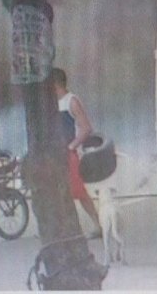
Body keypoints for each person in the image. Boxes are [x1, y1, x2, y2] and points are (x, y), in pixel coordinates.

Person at [50, 67, 103, 239]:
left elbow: (86, 128)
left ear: (56, 83)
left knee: (78, 192)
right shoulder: (51, 104)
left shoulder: (71, 101)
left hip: (69, 154)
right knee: (57, 192)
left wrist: (71, 146)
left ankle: (98, 224)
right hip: (55, 154)